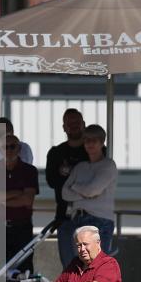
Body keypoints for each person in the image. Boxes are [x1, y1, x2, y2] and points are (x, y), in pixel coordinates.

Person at [0, 134, 39, 282]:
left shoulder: (29, 171)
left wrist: (1, 199)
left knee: (25, 275)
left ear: (19, 149)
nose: (9, 150)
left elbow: (27, 200)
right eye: (5, 147)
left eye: (12, 146)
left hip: (22, 228)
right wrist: (15, 193)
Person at [57, 124, 117, 267]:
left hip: (99, 221)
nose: (90, 144)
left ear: (102, 143)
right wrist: (88, 193)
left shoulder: (108, 165)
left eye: (94, 140)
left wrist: (77, 188)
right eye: (87, 140)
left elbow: (92, 190)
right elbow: (65, 193)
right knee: (72, 267)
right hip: (76, 218)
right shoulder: (80, 167)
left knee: (95, 267)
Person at [46, 109, 90, 267]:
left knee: (92, 266)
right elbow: (52, 182)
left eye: (77, 123)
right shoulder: (56, 153)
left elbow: (94, 187)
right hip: (64, 217)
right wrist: (79, 186)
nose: (74, 126)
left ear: (83, 125)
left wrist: (70, 185)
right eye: (70, 123)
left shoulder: (93, 151)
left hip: (89, 216)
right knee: (70, 267)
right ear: (64, 127)